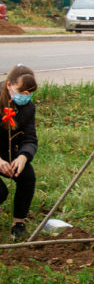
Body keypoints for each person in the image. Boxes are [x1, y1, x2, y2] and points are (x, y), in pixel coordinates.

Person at [0, 64, 38, 241]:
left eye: (29, 93)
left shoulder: (28, 108)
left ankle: (18, 223)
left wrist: (23, 156)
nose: (25, 97)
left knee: (27, 175)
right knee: (0, 192)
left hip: (6, 151)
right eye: (20, 91)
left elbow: (30, 139)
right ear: (9, 85)